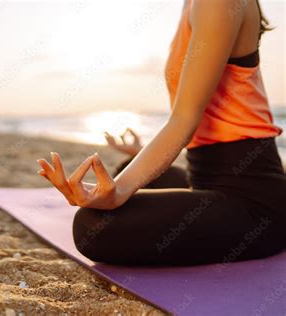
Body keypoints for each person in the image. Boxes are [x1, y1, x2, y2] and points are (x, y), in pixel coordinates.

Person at [36, 0, 285, 266]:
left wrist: (119, 191)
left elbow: (184, 119)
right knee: (127, 168)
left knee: (93, 226)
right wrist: (140, 155)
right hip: (203, 177)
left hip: (254, 202)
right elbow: (202, 122)